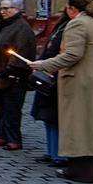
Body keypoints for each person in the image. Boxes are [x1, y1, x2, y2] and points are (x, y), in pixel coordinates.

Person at [31, 0, 93, 183]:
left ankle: (79, 170)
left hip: (79, 83)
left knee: (78, 126)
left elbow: (73, 54)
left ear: (72, 8)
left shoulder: (77, 23)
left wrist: (44, 64)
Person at [0, 0, 36, 151]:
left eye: (6, 8)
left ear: (17, 9)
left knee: (12, 108)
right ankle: (1, 135)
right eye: (1, 8)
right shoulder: (3, 25)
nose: (2, 11)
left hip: (13, 77)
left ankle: (14, 139)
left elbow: (22, 50)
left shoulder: (22, 28)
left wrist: (11, 68)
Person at [30, 9, 71, 167]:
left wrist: (47, 64)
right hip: (47, 74)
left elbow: (65, 53)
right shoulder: (61, 25)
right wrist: (40, 63)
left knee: (54, 117)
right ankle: (51, 151)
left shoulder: (73, 26)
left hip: (57, 75)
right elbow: (49, 48)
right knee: (47, 116)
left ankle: (59, 155)